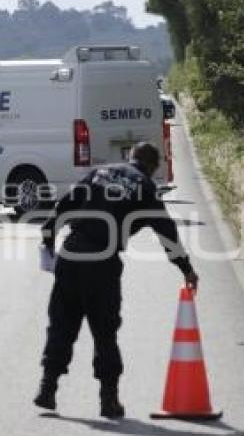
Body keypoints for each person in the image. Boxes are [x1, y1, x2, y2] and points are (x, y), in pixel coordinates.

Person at [35, 142, 199, 419]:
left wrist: (49, 240)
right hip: (102, 263)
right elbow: (166, 233)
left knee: (61, 325)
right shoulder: (145, 188)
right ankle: (108, 400)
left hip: (72, 255)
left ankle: (47, 388)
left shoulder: (100, 172)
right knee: (105, 331)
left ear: (130, 157)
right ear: (153, 167)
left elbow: (65, 204)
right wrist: (186, 269)